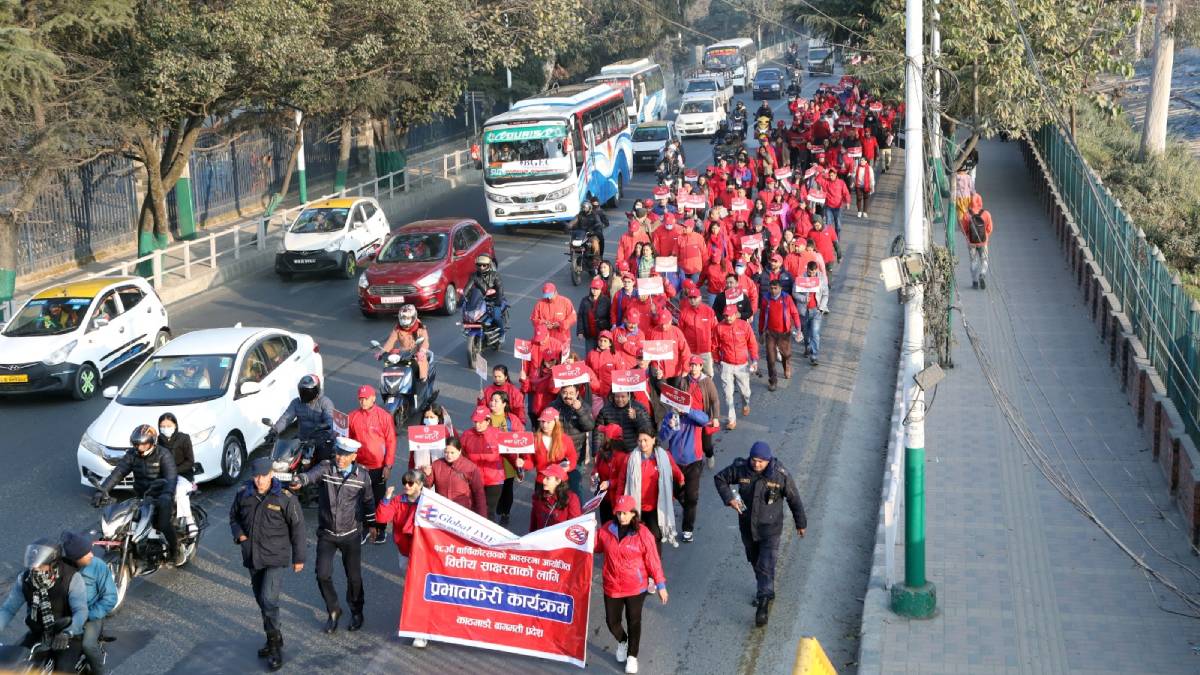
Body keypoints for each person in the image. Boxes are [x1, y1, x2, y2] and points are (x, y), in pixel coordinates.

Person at [714, 441, 806, 627]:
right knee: (755, 560)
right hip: (748, 527)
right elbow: (720, 479)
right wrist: (729, 498)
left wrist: (800, 523)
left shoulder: (780, 475)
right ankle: (766, 589)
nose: (757, 465)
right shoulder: (741, 469)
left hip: (770, 529)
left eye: (761, 462)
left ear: (768, 460)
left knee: (766, 562)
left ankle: (762, 604)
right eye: (754, 460)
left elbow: (794, 499)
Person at [291, 437, 375, 634]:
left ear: (354, 456)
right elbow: (310, 476)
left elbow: (369, 501)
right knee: (322, 574)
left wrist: (372, 525)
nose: (340, 458)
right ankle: (334, 610)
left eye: (345, 456)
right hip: (327, 534)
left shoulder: (362, 476)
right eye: (338, 453)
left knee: (354, 578)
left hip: (351, 534)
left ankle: (356, 611)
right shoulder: (326, 468)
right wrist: (299, 480)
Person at [230, 457, 305, 671]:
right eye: (256, 476)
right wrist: (240, 536)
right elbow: (233, 517)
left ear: (271, 474)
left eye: (263, 476)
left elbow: (298, 528)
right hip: (253, 556)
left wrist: (299, 557)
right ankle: (274, 637)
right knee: (262, 602)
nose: (259, 480)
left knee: (269, 600)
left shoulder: (285, 497)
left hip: (275, 557)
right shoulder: (244, 492)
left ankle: (274, 647)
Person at [596, 495, 669, 675]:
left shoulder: (643, 533)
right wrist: (586, 533)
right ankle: (623, 641)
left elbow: (653, 560)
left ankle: (632, 656)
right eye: (619, 513)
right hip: (612, 584)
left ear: (633, 513)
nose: (622, 517)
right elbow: (596, 547)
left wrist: (660, 585)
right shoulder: (606, 529)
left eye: (626, 513)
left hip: (636, 586)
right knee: (612, 622)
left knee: (633, 621)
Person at [94, 425, 180, 564]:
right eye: (137, 444)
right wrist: (102, 491)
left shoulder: (163, 454)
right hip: (142, 496)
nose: (140, 448)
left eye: (144, 444)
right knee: (128, 522)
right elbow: (118, 473)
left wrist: (167, 494)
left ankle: (175, 551)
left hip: (162, 495)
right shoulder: (132, 455)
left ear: (152, 442)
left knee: (163, 524)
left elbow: (171, 478)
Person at [0, 538, 86, 670]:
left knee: (63, 669)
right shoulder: (25, 580)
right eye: (33, 565)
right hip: (38, 632)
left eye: (40, 566)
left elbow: (80, 611)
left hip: (67, 635)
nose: (35, 569)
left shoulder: (72, 578)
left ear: (53, 565)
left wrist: (68, 632)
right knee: (12, 665)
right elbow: (8, 609)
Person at [597, 430, 684, 553]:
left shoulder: (664, 456)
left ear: (653, 440)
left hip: (655, 507)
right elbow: (622, 481)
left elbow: (675, 470)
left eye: (645, 440)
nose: (642, 444)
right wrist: (619, 503)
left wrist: (681, 479)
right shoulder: (630, 459)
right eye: (640, 440)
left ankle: (655, 565)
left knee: (655, 538)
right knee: (635, 537)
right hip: (635, 508)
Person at [374, 470, 431, 648]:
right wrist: (386, 498)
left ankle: (421, 632)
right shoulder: (399, 500)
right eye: (404, 482)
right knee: (410, 588)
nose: (406, 486)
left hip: (423, 554)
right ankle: (412, 622)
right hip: (405, 552)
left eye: (411, 483)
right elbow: (382, 517)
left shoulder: (429, 501)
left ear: (420, 485)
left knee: (419, 590)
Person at [347, 384, 396, 545]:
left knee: (379, 500)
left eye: (366, 398)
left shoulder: (384, 416)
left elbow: (391, 441)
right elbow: (347, 439)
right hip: (360, 467)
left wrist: (388, 465)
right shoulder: (352, 416)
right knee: (361, 500)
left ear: (373, 398)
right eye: (360, 399)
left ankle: (381, 529)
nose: (362, 401)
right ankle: (366, 529)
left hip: (379, 468)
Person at [62, 531, 116, 675]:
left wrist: (88, 615)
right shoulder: (63, 569)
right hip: (67, 614)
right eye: (86, 553)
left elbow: (110, 597)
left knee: (88, 645)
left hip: (91, 615)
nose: (92, 554)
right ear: (75, 559)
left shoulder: (98, 566)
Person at [658, 406, 710, 543]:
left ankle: (688, 529)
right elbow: (662, 437)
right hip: (675, 464)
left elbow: (705, 420)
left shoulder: (693, 415)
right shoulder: (670, 416)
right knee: (678, 493)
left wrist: (688, 411)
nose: (677, 408)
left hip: (694, 462)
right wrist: (669, 427)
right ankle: (689, 510)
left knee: (692, 497)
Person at [271, 374, 337, 465]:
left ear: (316, 390)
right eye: (303, 391)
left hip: (321, 441)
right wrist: (274, 430)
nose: (305, 395)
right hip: (302, 439)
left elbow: (329, 423)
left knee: (323, 462)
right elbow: (286, 418)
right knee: (283, 457)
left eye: (307, 392)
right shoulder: (296, 403)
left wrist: (317, 440)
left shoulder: (325, 403)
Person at [460, 406, 510, 521]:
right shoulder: (467, 435)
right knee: (474, 510)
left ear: (488, 421)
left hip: (494, 479)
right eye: (475, 422)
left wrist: (519, 466)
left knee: (489, 511)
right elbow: (460, 455)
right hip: (473, 479)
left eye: (481, 422)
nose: (477, 425)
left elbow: (509, 454)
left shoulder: (497, 434)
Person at [714, 305, 758, 430]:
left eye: (730, 315)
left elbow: (752, 343)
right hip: (726, 364)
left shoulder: (744, 326)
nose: (728, 318)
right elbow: (714, 345)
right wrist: (717, 360)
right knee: (728, 394)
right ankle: (731, 419)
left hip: (742, 365)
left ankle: (746, 404)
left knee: (746, 392)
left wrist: (754, 360)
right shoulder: (719, 327)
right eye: (726, 315)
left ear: (736, 314)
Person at [420, 438, 488, 517]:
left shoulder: (470, 467)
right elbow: (426, 486)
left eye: (452, 452)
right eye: (446, 452)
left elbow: (479, 493)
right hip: (442, 511)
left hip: (463, 512)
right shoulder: (437, 464)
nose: (449, 455)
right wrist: (426, 475)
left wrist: (482, 517)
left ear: (459, 451)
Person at [757, 277, 802, 390]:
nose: (773, 290)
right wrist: (761, 332)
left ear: (780, 288)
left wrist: (798, 329)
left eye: (775, 288)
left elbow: (795, 313)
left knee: (786, 354)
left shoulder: (787, 298)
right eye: (771, 288)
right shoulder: (766, 299)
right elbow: (762, 316)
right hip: (770, 333)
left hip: (784, 333)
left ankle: (786, 366)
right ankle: (773, 381)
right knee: (770, 358)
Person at [158, 412, 197, 537]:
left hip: (182, 474)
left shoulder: (184, 438)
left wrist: (174, 471)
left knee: (179, 490)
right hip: (163, 475)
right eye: (162, 426)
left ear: (175, 425)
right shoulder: (157, 441)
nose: (165, 428)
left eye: (168, 425)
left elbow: (190, 461)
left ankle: (190, 520)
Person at [379, 304, 432, 385]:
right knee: (392, 366)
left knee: (421, 362)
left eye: (407, 318)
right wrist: (381, 352)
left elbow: (425, 342)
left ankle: (423, 383)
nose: (405, 320)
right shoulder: (397, 329)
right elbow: (390, 342)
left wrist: (421, 351)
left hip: (417, 353)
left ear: (413, 317)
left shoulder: (420, 327)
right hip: (403, 354)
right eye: (403, 318)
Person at [549, 384, 595, 473]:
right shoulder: (553, 406)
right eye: (565, 393)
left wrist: (579, 410)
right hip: (557, 454)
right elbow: (544, 427)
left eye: (571, 393)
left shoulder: (584, 406)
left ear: (577, 393)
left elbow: (589, 427)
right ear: (560, 392)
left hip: (576, 454)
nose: (568, 396)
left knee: (575, 484)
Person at [679, 285, 718, 376]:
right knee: (691, 375)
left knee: (708, 375)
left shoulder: (709, 311)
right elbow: (680, 332)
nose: (692, 300)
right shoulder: (684, 312)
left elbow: (715, 331)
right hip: (690, 351)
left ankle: (705, 390)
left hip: (705, 350)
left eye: (695, 297)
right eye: (690, 298)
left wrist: (713, 347)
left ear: (700, 297)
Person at [529, 464, 582, 532]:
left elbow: (575, 527)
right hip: (541, 540)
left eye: (548, 478)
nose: (543, 481)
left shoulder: (571, 499)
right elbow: (533, 524)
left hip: (560, 540)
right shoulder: (538, 496)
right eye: (544, 477)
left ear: (558, 481)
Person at [797, 261, 830, 366]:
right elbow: (794, 292)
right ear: (807, 270)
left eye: (813, 272)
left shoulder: (821, 279)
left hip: (816, 310)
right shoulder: (801, 278)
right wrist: (803, 298)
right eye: (809, 272)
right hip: (804, 311)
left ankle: (814, 355)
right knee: (806, 333)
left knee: (815, 333)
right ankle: (807, 346)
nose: (811, 274)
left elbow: (825, 294)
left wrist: (821, 308)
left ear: (816, 270)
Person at [959, 192, 993, 289]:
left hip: (971, 243)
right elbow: (990, 229)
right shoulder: (986, 214)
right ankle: (982, 274)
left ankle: (974, 282)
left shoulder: (967, 215)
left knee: (973, 261)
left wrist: (968, 237)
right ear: (980, 201)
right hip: (983, 242)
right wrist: (985, 237)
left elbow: (964, 229)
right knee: (984, 260)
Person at [464, 254, 506, 329]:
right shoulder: (474, 276)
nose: (481, 267)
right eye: (479, 265)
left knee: (496, 316)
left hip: (495, 300)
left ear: (488, 265)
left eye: (484, 265)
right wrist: (464, 296)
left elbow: (500, 289)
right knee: (471, 316)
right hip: (481, 300)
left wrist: (497, 302)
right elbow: (468, 287)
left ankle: (502, 333)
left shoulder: (495, 275)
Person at [531, 282, 577, 347]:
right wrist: (544, 323)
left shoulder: (565, 302)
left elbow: (573, 318)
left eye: (550, 296)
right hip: (545, 341)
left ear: (555, 292)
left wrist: (560, 324)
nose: (549, 298)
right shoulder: (539, 304)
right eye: (547, 296)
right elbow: (534, 319)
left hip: (562, 340)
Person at [578, 277, 613, 353]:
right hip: (589, 333)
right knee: (590, 354)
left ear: (601, 289)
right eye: (593, 288)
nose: (594, 291)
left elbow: (610, 316)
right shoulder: (585, 301)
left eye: (597, 289)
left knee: (602, 354)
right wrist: (580, 331)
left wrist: (609, 330)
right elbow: (580, 316)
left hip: (602, 333)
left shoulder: (606, 301)